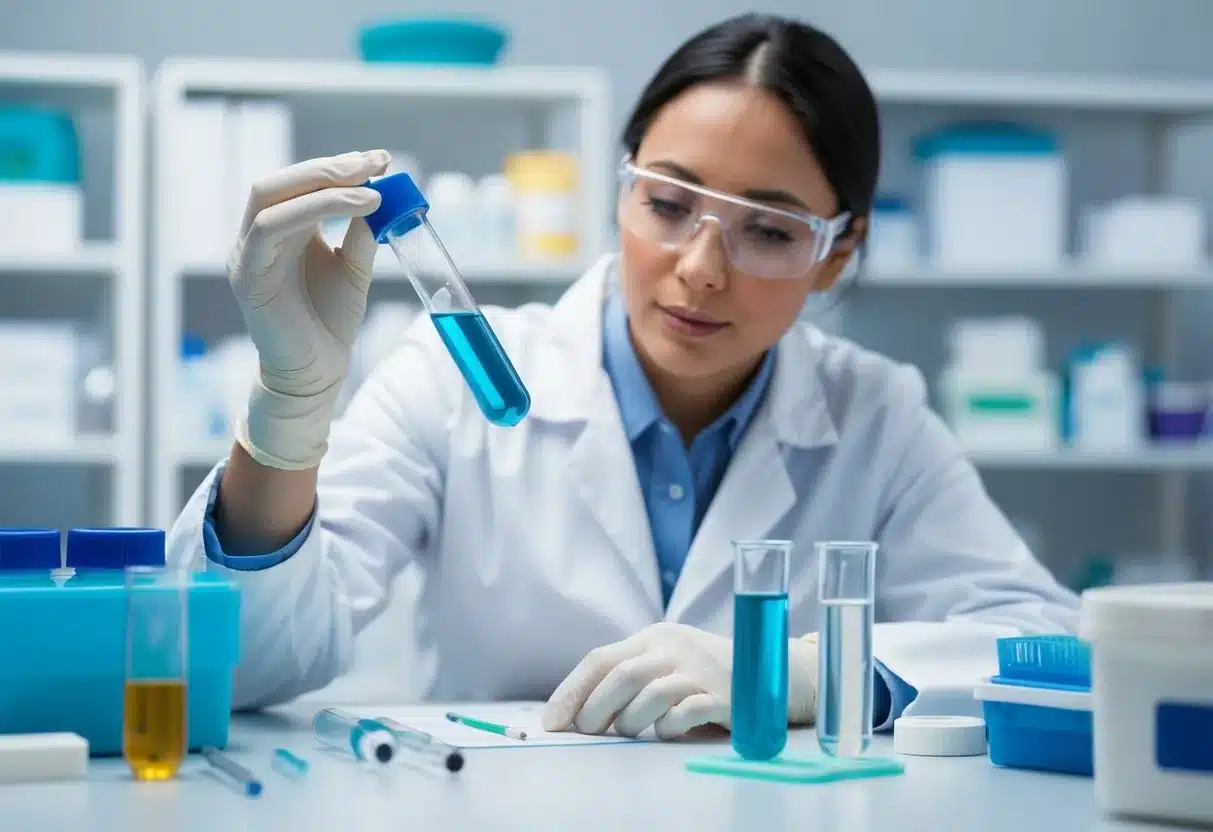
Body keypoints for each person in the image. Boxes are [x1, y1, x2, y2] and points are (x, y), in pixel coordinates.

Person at [167, 12, 1079, 739]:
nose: (700, 267)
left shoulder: (875, 414)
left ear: (838, 255)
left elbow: (1045, 643)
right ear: (620, 191)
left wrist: (807, 670)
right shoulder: (456, 379)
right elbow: (235, 666)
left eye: (768, 230)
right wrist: (288, 410)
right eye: (670, 204)